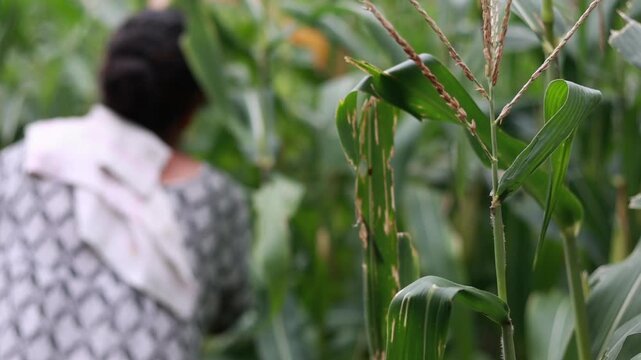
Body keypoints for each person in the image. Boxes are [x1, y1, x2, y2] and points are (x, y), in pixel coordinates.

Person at [0, 9, 251, 359]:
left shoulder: (24, 161)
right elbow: (232, 309)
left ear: (105, 73)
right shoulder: (213, 200)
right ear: (194, 106)